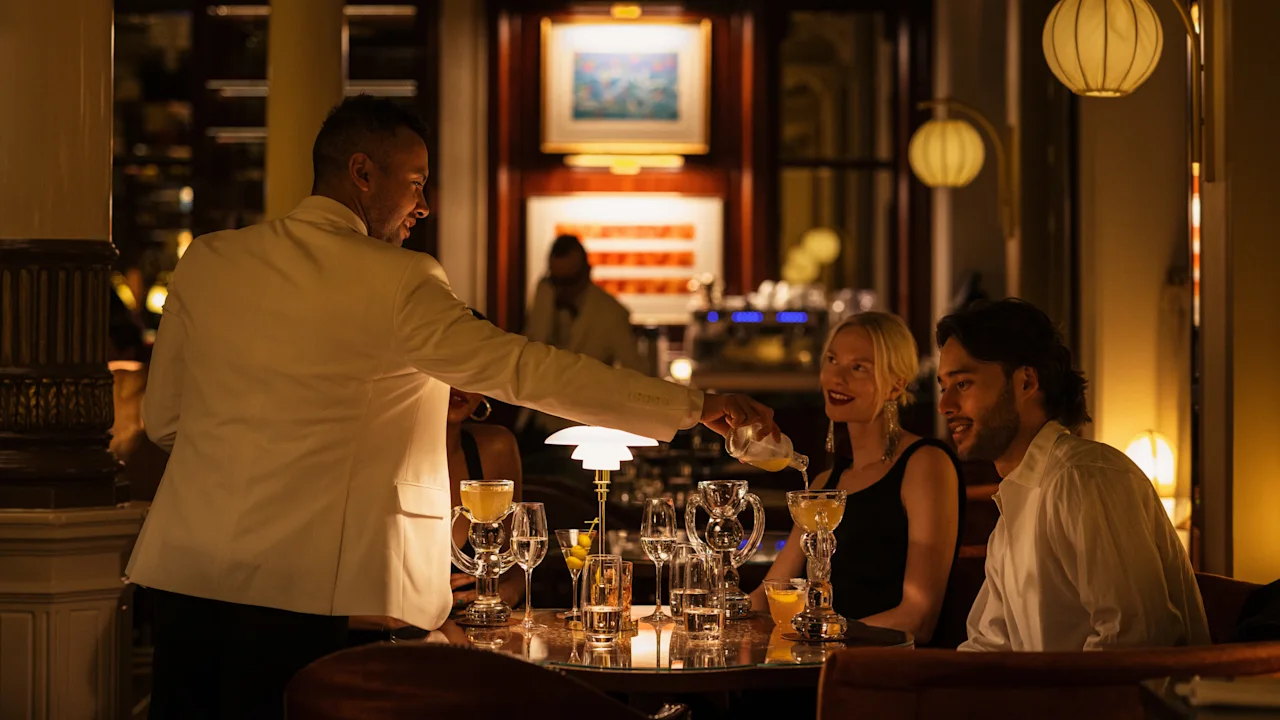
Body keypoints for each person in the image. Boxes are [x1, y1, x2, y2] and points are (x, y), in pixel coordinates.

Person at [128, 95, 778, 719]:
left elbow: (166, 422)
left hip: (186, 575)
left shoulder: (208, 261)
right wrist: (693, 404)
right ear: (362, 174)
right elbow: (526, 368)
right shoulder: (398, 279)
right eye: (415, 183)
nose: (424, 206)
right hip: (309, 594)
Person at [935, 299, 1209, 652]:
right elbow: (990, 646)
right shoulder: (1018, 497)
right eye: (943, 387)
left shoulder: (1082, 479)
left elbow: (1132, 643)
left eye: (963, 384)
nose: (945, 406)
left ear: (1026, 382)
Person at [749, 312, 964, 645]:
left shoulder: (925, 464)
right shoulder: (823, 483)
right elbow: (770, 593)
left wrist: (822, 644)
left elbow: (918, 618)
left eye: (859, 367)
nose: (837, 377)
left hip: (882, 674)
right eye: (832, 360)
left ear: (896, 385)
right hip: (817, 665)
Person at [348, 310, 525, 644]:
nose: (463, 383)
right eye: (449, 365)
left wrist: (503, 594)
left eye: (477, 368)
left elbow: (517, 564)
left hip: (474, 645)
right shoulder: (370, 453)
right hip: (382, 649)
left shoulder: (495, 449)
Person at [516, 234, 648, 444]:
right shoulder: (545, 291)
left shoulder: (611, 314)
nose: (561, 290)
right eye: (555, 281)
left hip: (582, 426)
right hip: (535, 420)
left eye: (569, 282)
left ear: (587, 273)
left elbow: (638, 374)